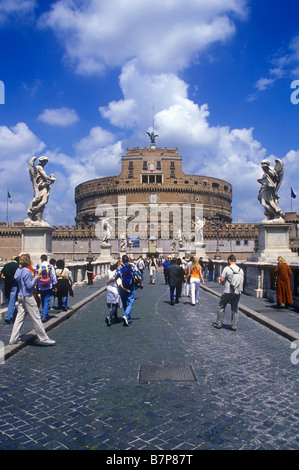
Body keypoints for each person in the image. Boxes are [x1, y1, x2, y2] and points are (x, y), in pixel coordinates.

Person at [9, 254, 55, 346]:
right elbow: (29, 285)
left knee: (19, 318)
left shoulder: (19, 270)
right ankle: (43, 338)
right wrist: (36, 278)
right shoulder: (26, 271)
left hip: (20, 296)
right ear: (28, 261)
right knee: (36, 317)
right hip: (28, 296)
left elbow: (16, 278)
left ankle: (13, 339)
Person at [213, 254, 244, 331]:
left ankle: (219, 323)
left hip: (228, 291)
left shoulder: (227, 268)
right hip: (237, 292)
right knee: (235, 308)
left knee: (221, 306)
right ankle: (234, 326)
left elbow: (222, 279)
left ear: (229, 261)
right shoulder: (241, 270)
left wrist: (221, 280)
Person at [114, 255, 142, 326]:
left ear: (122, 261)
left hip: (122, 287)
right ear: (128, 260)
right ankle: (126, 315)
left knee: (124, 302)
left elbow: (115, 277)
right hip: (131, 286)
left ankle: (127, 317)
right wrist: (140, 284)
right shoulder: (133, 266)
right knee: (130, 302)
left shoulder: (119, 267)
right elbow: (139, 276)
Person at [37, 254, 57, 323]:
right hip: (49, 285)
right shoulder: (50, 266)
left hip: (41, 286)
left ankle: (44, 313)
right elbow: (53, 277)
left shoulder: (39, 266)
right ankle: (44, 316)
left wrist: (37, 284)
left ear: (41, 259)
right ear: (47, 259)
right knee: (46, 300)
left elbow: (37, 276)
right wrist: (55, 284)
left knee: (43, 300)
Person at [1, 256, 19, 324]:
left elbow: (2, 274)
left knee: (11, 301)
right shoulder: (17, 266)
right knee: (12, 302)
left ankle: (15, 315)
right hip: (14, 285)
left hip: (7, 285)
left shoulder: (6, 265)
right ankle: (7, 318)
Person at [105, 259, 122, 326]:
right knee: (116, 304)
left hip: (109, 289)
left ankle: (116, 318)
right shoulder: (117, 272)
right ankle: (109, 316)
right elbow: (114, 279)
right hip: (115, 289)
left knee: (113, 304)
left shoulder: (108, 271)